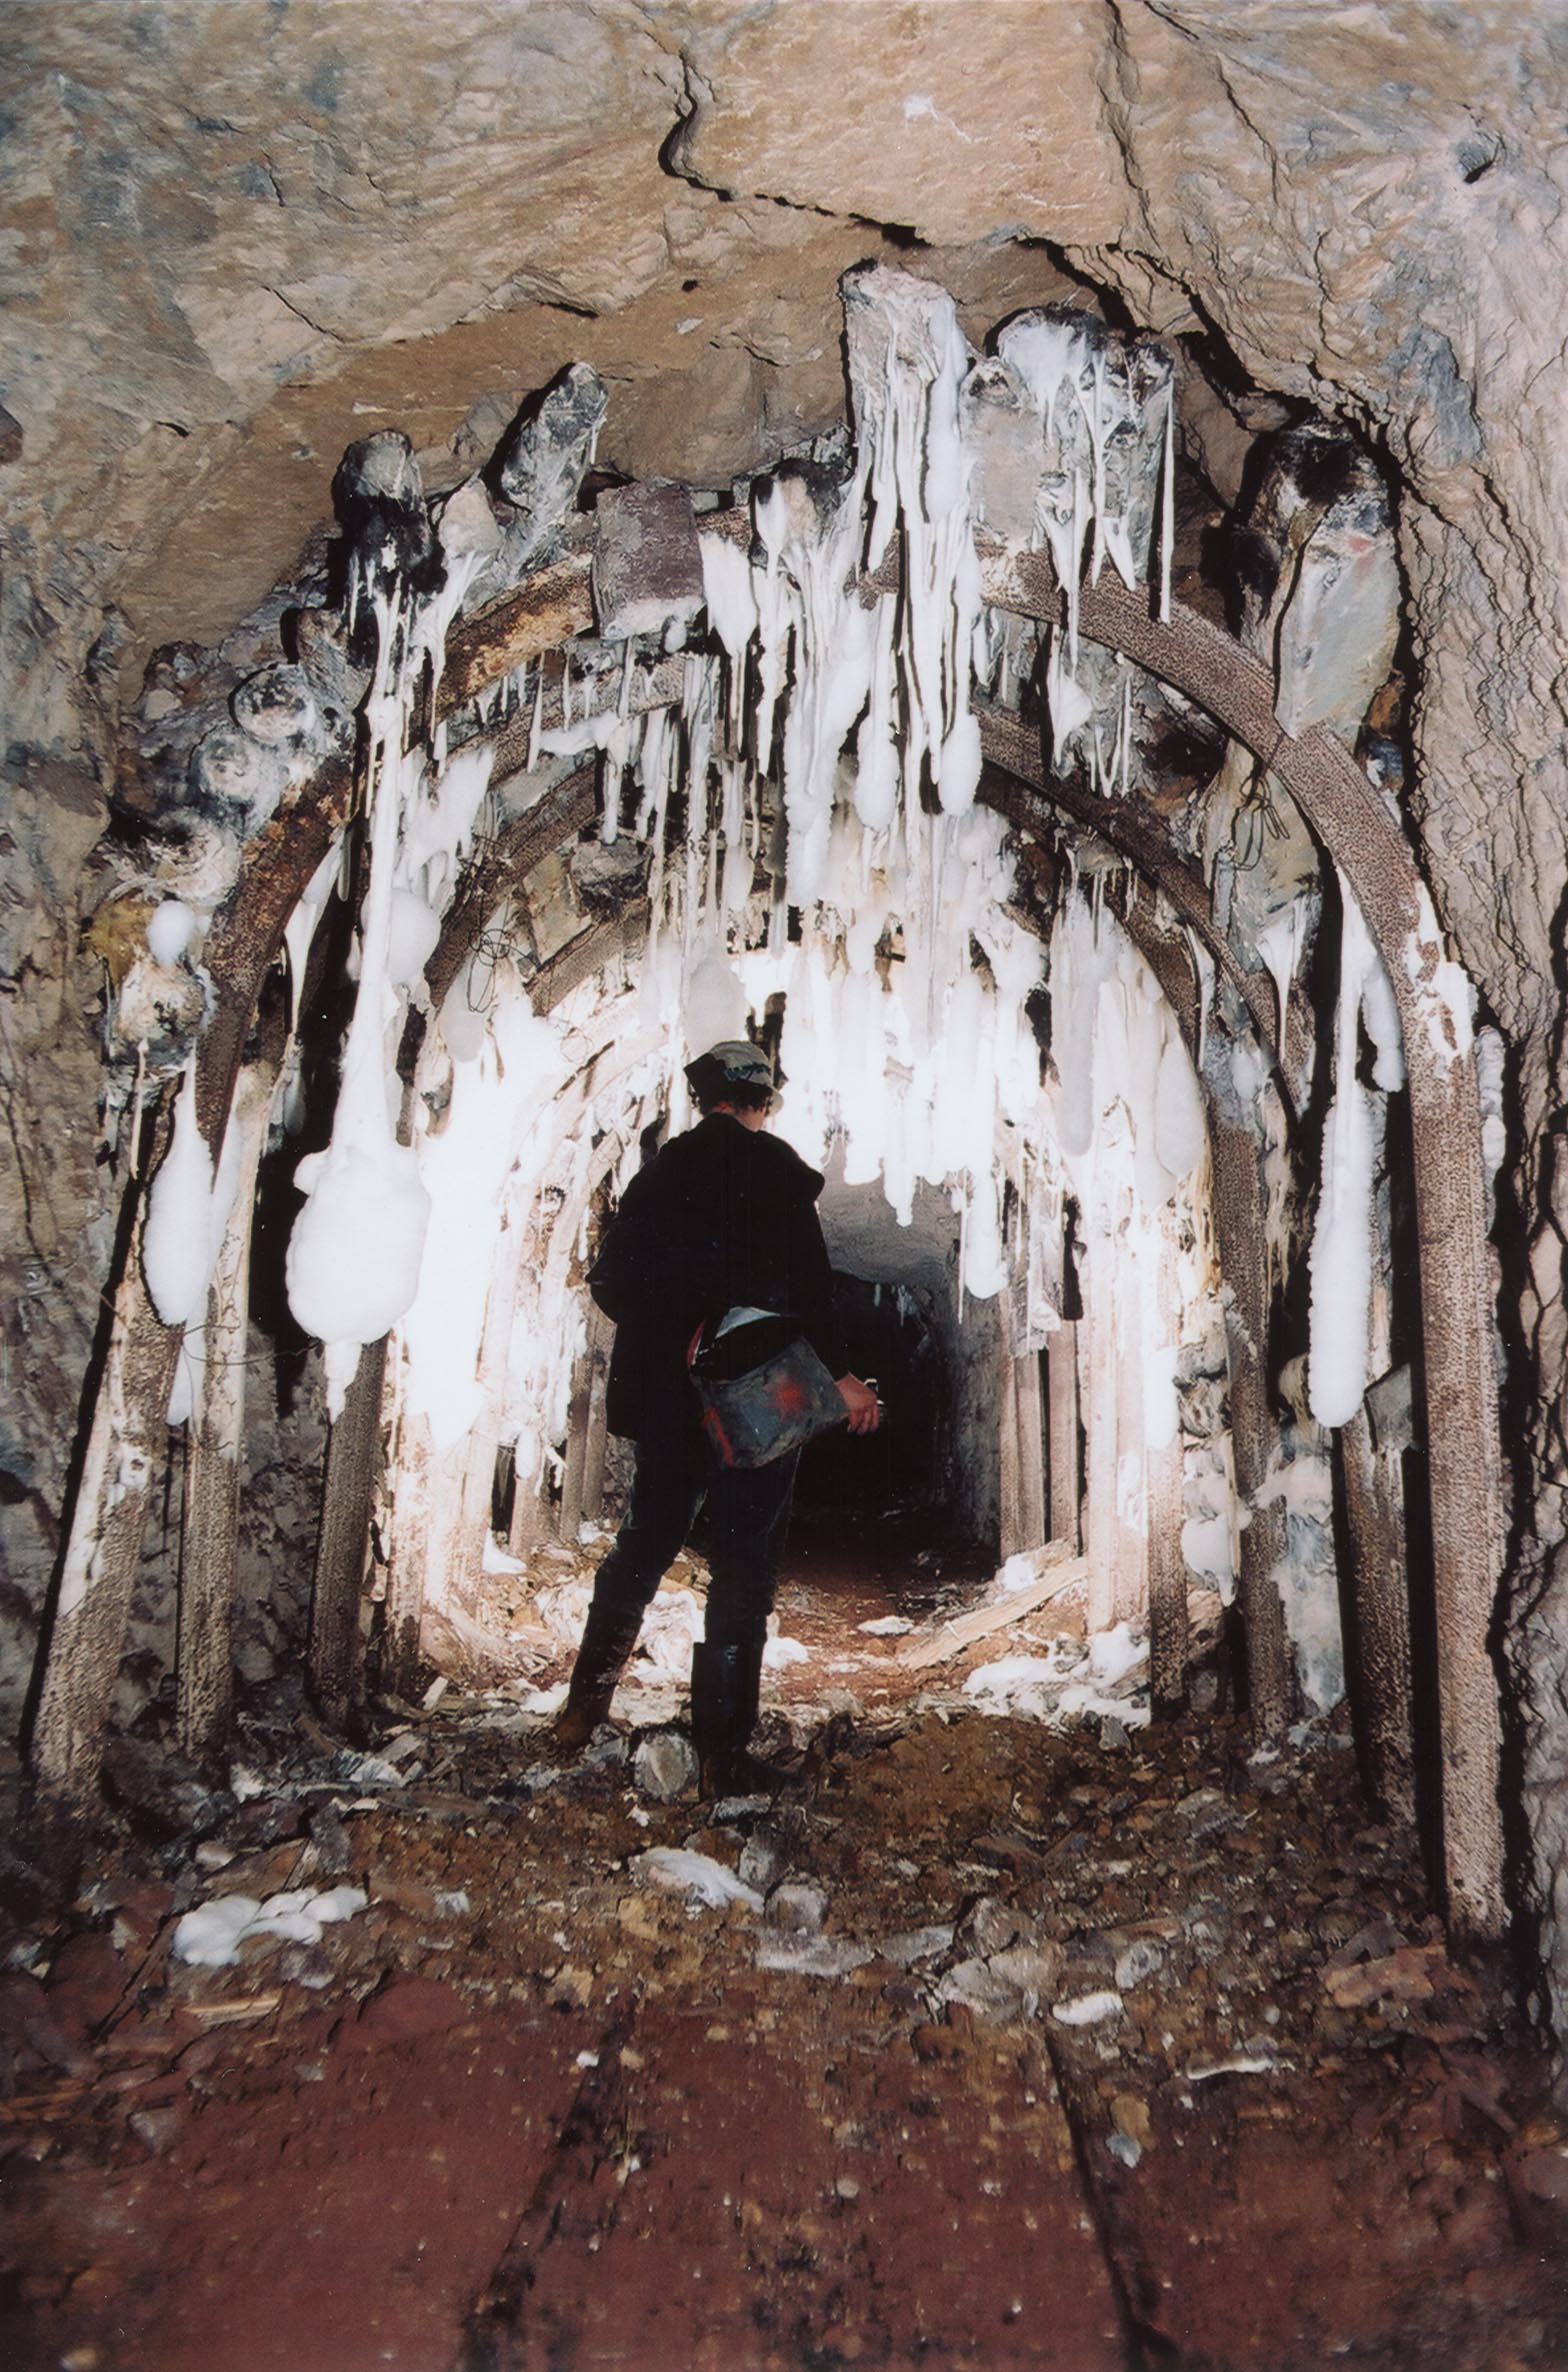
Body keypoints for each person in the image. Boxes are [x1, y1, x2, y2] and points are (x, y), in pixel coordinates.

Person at [553, 1038, 881, 1790]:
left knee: (644, 1544)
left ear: (705, 1100)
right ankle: (722, 1757)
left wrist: (679, 1331)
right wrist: (841, 1377)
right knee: (743, 1564)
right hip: (756, 1398)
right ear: (762, 1103)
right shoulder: (774, 1168)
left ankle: (582, 1710)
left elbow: (610, 1281)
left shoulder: (660, 1173)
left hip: (674, 1401)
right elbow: (812, 1289)